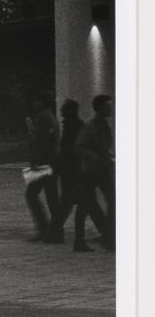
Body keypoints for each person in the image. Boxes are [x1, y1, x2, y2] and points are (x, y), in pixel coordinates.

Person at [53, 98, 102, 252]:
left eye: (64, 109)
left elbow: (69, 150)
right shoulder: (75, 125)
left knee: (73, 203)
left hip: (71, 171)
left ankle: (55, 231)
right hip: (74, 171)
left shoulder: (72, 126)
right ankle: (102, 232)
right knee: (85, 203)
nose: (61, 112)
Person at [76, 94, 114, 251]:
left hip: (102, 169)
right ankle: (83, 240)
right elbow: (80, 147)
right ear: (99, 108)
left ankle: (109, 234)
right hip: (92, 171)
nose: (110, 108)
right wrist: (97, 157)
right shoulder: (91, 126)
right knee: (86, 204)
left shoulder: (104, 125)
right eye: (107, 106)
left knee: (111, 199)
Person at [22, 92, 61, 243]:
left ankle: (45, 229)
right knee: (51, 197)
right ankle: (54, 231)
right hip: (50, 161)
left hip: (43, 163)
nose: (34, 103)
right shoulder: (50, 116)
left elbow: (41, 141)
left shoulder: (43, 117)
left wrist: (34, 160)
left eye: (37, 100)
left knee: (32, 194)